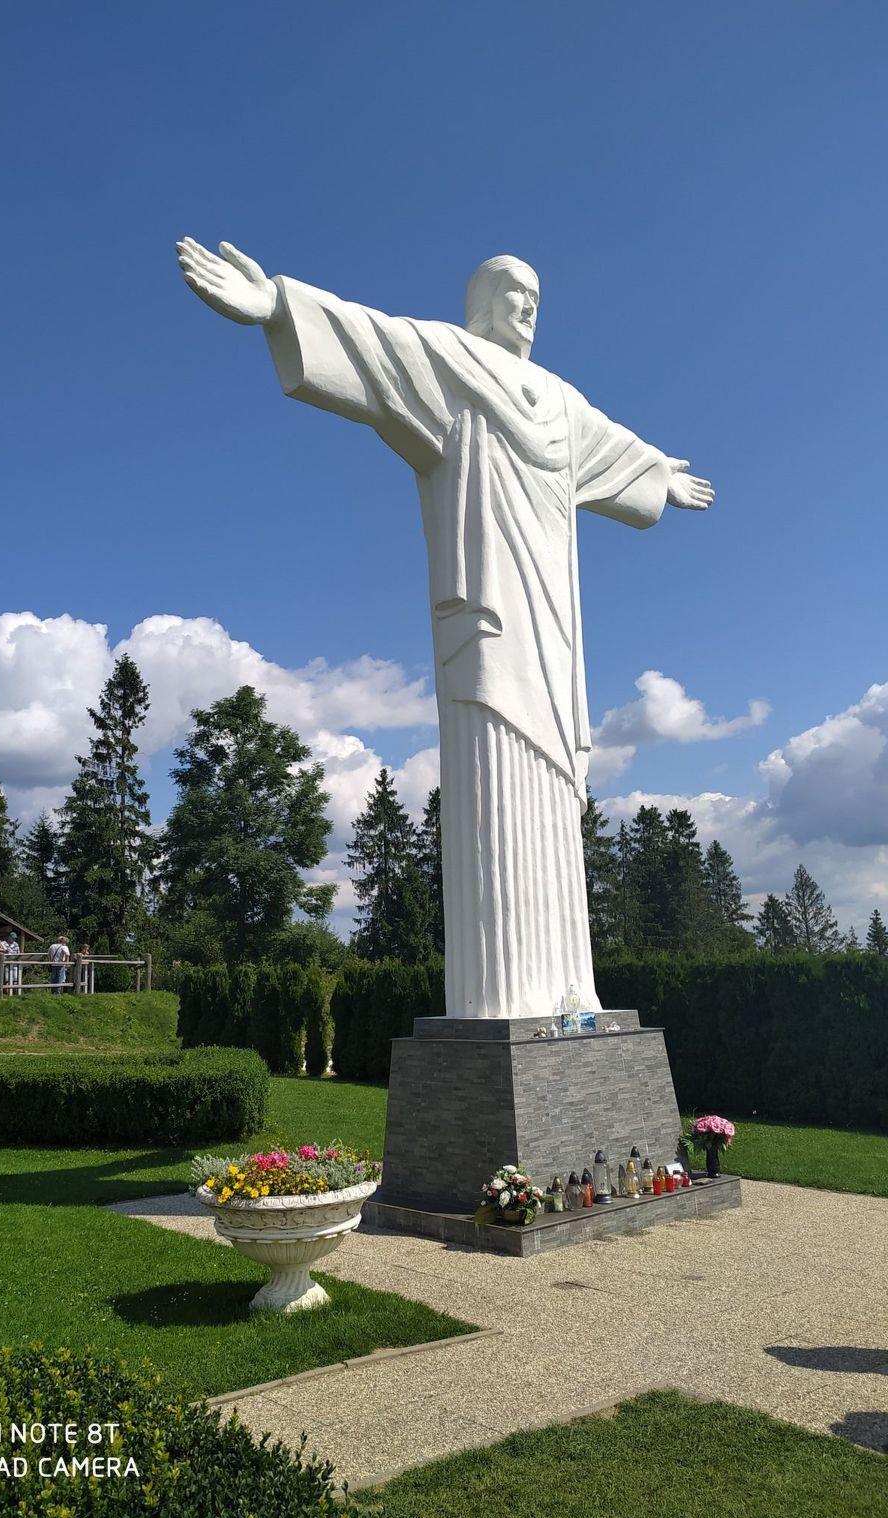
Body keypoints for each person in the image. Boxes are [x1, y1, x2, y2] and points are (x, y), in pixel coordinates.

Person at [176, 239, 714, 1019]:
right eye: (517, 293)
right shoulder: (450, 358)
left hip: (553, 624)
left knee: (558, 778)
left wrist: (658, 473)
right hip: (487, 609)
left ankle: (571, 995)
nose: (530, 308)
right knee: (495, 747)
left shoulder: (562, 403)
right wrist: (281, 307)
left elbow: (618, 450)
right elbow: (372, 339)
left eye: (538, 298)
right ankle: (498, 1001)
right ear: (483, 303)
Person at [6, 931, 22, 996]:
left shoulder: (16, 944)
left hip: (15, 963)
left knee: (15, 978)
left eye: (14, 938)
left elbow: (18, 953)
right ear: (9, 937)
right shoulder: (4, 943)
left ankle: (16, 994)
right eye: (13, 938)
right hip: (7, 963)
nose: (14, 939)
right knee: (7, 979)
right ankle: (8, 994)